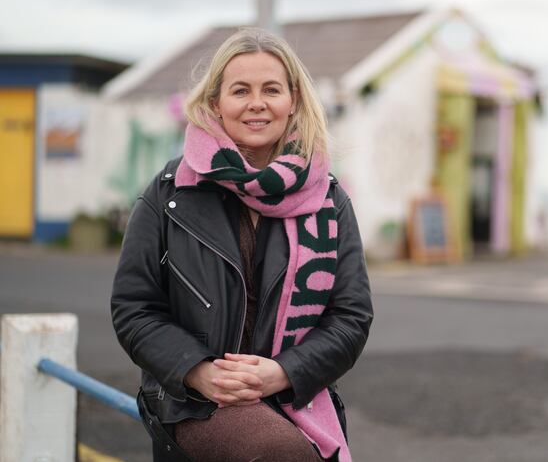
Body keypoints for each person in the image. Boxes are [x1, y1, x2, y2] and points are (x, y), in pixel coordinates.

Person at [111, 28, 373, 462]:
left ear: (292, 101)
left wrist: (283, 372)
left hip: (294, 395)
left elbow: (351, 316)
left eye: (271, 89)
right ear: (216, 103)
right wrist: (197, 371)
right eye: (240, 90)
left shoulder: (328, 198)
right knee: (277, 454)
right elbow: (134, 307)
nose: (257, 103)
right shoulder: (172, 192)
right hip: (198, 400)